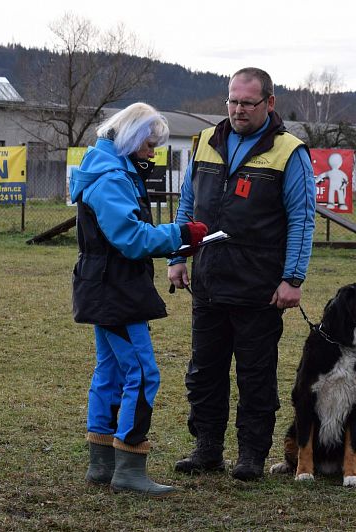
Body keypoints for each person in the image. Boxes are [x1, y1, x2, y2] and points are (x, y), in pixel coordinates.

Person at [168, 67, 316, 481]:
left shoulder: (290, 152)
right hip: (209, 283)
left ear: (269, 103)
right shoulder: (205, 144)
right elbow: (187, 209)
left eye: (247, 103)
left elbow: (303, 219)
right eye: (232, 101)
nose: (238, 110)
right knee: (204, 372)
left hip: (260, 288)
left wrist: (293, 279)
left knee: (255, 377)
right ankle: (207, 448)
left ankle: (251, 454)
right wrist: (178, 256)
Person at [70, 102, 208, 496]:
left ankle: (103, 464)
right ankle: (129, 464)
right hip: (115, 289)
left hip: (105, 285)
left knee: (111, 371)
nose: (153, 152)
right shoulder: (112, 177)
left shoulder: (108, 169)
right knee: (143, 373)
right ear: (131, 139)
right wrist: (182, 235)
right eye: (149, 144)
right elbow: (130, 239)